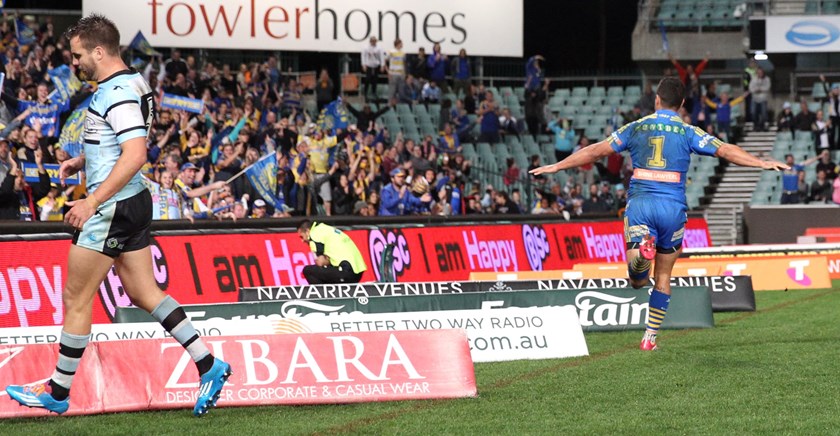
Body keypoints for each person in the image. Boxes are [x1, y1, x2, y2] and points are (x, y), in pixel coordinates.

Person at [4, 15, 231, 416]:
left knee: (76, 296)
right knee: (144, 293)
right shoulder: (131, 81)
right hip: (132, 201)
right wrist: (83, 160)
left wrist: (92, 201)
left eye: (77, 56)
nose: (73, 64)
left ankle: (58, 389)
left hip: (111, 207)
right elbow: (121, 141)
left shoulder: (118, 91)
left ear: (98, 51)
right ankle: (209, 364)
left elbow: (136, 154)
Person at [530, 77, 787, 351]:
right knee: (664, 276)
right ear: (683, 104)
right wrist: (760, 161)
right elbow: (725, 150)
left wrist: (557, 166)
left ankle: (642, 254)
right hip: (673, 208)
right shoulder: (689, 131)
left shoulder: (636, 127)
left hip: (642, 203)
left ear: (656, 100)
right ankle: (649, 338)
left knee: (637, 280)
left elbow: (595, 151)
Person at [297, 220, 367, 284]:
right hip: (358, 272)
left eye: (302, 237)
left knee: (308, 271)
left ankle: (323, 296)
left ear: (307, 232)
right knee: (328, 271)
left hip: (346, 271)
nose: (302, 241)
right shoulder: (325, 229)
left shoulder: (313, 235)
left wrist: (326, 260)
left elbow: (320, 263)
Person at [361, 36, 385, 101]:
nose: (373, 42)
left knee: (375, 80)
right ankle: (365, 92)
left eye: (374, 41)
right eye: (372, 41)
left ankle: (374, 92)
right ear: (370, 41)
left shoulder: (379, 48)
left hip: (376, 65)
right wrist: (363, 65)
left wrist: (382, 65)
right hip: (368, 65)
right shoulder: (366, 47)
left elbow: (382, 56)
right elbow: (363, 56)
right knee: (367, 79)